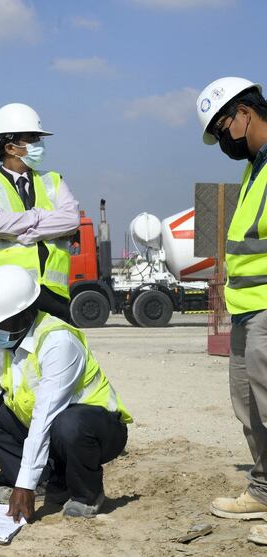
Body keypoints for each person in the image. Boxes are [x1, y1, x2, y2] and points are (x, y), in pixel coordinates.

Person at [0, 265, 131, 521]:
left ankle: (87, 494)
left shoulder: (57, 342)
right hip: (48, 430)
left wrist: (23, 485)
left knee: (68, 424)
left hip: (95, 431)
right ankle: (48, 483)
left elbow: (45, 417)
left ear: (25, 315)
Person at [196, 77, 267, 546]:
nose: (224, 138)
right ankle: (263, 490)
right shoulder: (255, 168)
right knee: (250, 408)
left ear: (245, 112)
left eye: (223, 126)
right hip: (246, 310)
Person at [0, 103, 80, 322]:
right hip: (5, 294)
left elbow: (71, 219)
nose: (40, 144)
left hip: (52, 293)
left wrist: (32, 233)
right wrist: (39, 215)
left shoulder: (53, 180)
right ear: (10, 148)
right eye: (33, 138)